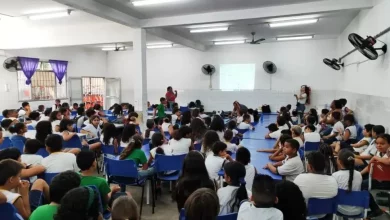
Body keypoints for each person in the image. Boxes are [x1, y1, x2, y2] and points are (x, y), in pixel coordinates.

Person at [294, 152, 338, 219]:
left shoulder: (300, 178)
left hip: (305, 215)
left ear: (310, 167)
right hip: (325, 215)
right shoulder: (333, 180)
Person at [361, 134, 390, 218]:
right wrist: (360, 174)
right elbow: (370, 166)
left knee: (362, 185)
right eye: (377, 143)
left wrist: (375, 158)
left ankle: (375, 209)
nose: (378, 145)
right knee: (361, 180)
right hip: (380, 179)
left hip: (387, 181)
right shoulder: (379, 152)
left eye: (382, 143)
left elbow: (388, 161)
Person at [332, 149, 363, 216]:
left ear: (339, 161)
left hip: (341, 209)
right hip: (358, 210)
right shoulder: (359, 174)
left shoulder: (335, 175)